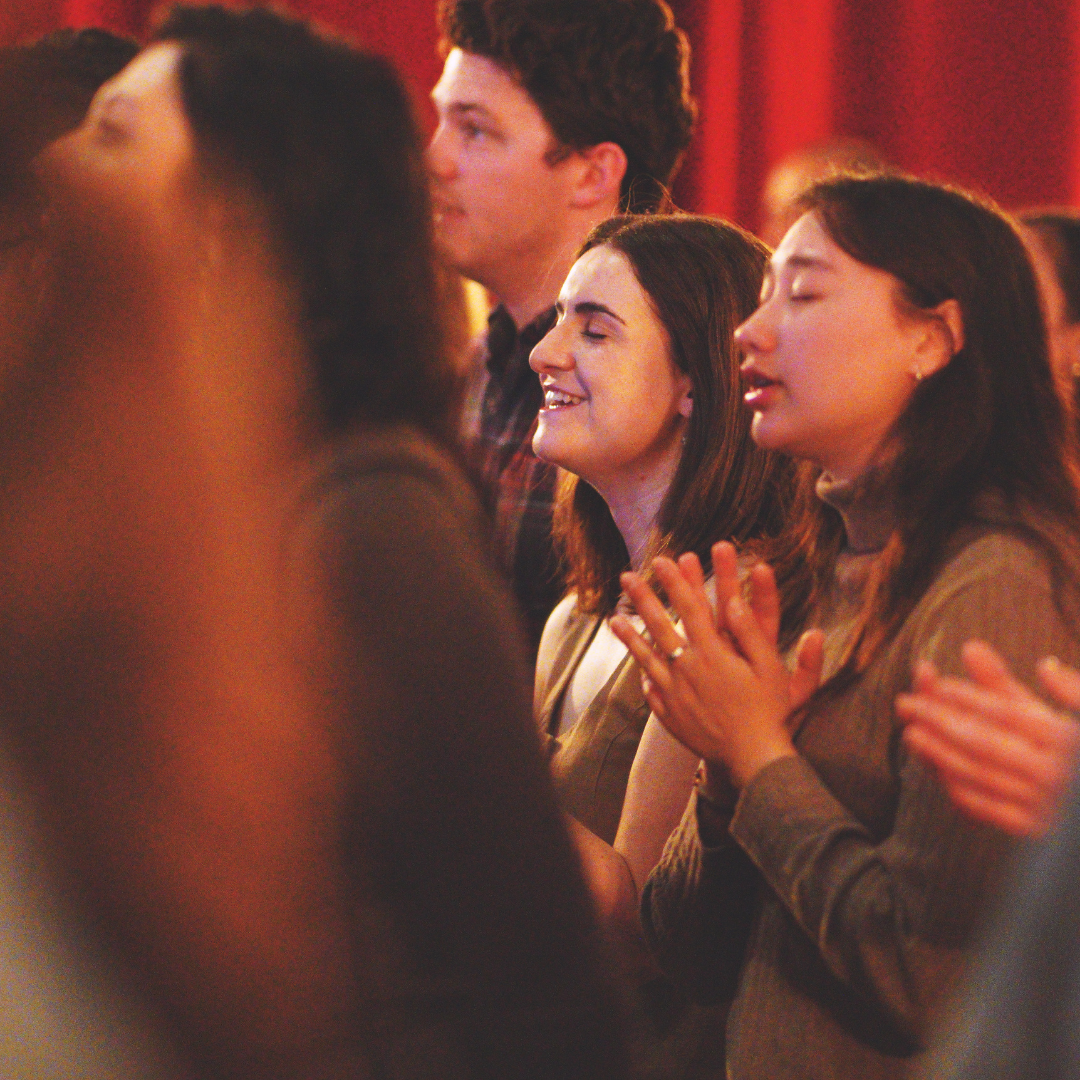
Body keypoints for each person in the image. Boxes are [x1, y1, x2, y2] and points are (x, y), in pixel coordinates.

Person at [0, 7, 627, 1077]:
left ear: (230, 217)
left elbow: (540, 986)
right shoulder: (139, 509)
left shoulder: (369, 525)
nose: (56, 161)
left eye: (114, 135)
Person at [610, 174, 1080, 1079]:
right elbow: (687, 952)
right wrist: (721, 763)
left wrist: (759, 759)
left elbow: (927, 982)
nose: (750, 333)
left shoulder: (1001, 582)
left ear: (932, 338)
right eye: (760, 298)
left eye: (806, 293)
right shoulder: (824, 564)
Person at [529, 212, 792, 1076]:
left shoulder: (728, 606)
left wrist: (456, 755)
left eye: (594, 329)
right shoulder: (576, 614)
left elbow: (642, 931)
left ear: (696, 381)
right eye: (560, 317)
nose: (545, 352)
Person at [429, 0, 696, 656]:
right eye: (441, 120)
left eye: (476, 130)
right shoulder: (473, 366)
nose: (435, 158)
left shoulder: (671, 395)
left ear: (592, 172)